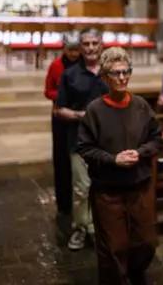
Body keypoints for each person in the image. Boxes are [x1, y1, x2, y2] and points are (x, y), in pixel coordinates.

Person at [77, 47, 163, 285]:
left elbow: (157, 138)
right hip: (108, 190)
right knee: (114, 247)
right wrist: (113, 159)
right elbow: (84, 148)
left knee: (146, 242)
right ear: (105, 77)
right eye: (116, 73)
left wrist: (140, 152)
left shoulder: (141, 106)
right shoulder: (95, 110)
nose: (122, 77)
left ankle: (135, 274)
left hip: (140, 186)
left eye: (126, 71)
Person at [55, 28, 109, 251]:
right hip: (78, 140)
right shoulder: (70, 75)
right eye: (86, 44)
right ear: (80, 47)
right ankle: (80, 228)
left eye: (94, 43)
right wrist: (80, 115)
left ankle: (98, 228)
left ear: (101, 45)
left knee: (103, 187)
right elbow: (59, 110)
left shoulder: (110, 73)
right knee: (81, 188)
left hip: (106, 141)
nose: (90, 48)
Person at [44, 32, 81, 217]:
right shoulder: (56, 66)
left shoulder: (84, 66)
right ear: (63, 49)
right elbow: (47, 90)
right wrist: (60, 96)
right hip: (60, 115)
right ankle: (63, 205)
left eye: (77, 50)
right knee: (61, 160)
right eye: (71, 50)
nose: (74, 54)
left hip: (78, 117)